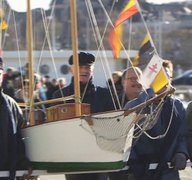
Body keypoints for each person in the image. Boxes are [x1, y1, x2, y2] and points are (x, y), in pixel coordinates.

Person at [52, 52, 114, 180]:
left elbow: (113, 123)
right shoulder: (60, 95)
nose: (84, 70)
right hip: (72, 155)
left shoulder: (104, 94)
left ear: (93, 70)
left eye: (87, 67)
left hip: (99, 154)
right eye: (80, 67)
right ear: (71, 69)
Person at [123, 62, 188, 180]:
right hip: (141, 172)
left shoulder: (177, 106)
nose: (163, 81)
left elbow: (182, 135)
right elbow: (126, 139)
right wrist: (134, 161)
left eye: (166, 77)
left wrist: (182, 153)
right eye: (159, 78)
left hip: (168, 171)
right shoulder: (134, 106)